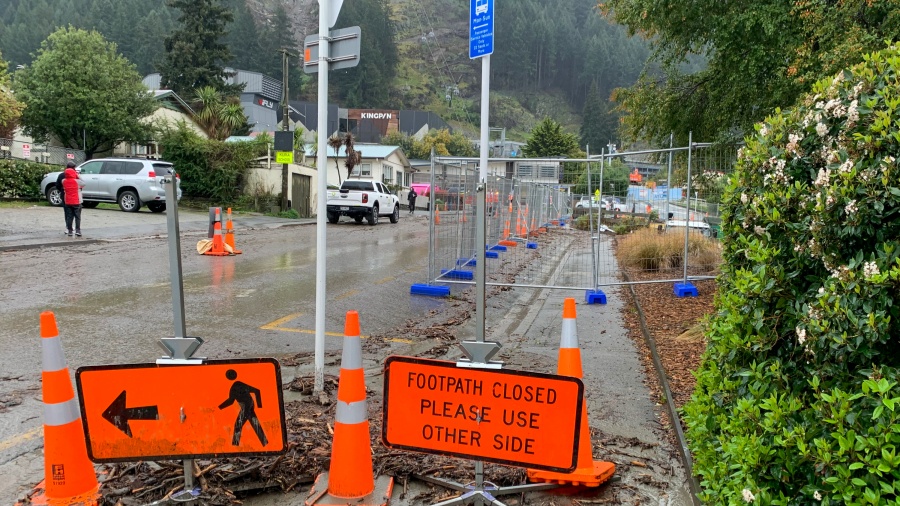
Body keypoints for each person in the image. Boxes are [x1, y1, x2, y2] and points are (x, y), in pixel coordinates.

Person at [62, 163, 85, 237]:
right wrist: (77, 175)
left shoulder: (64, 181)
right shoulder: (77, 181)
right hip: (76, 201)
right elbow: (84, 183)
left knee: (69, 216)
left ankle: (70, 231)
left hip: (68, 201)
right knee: (77, 216)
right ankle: (78, 230)